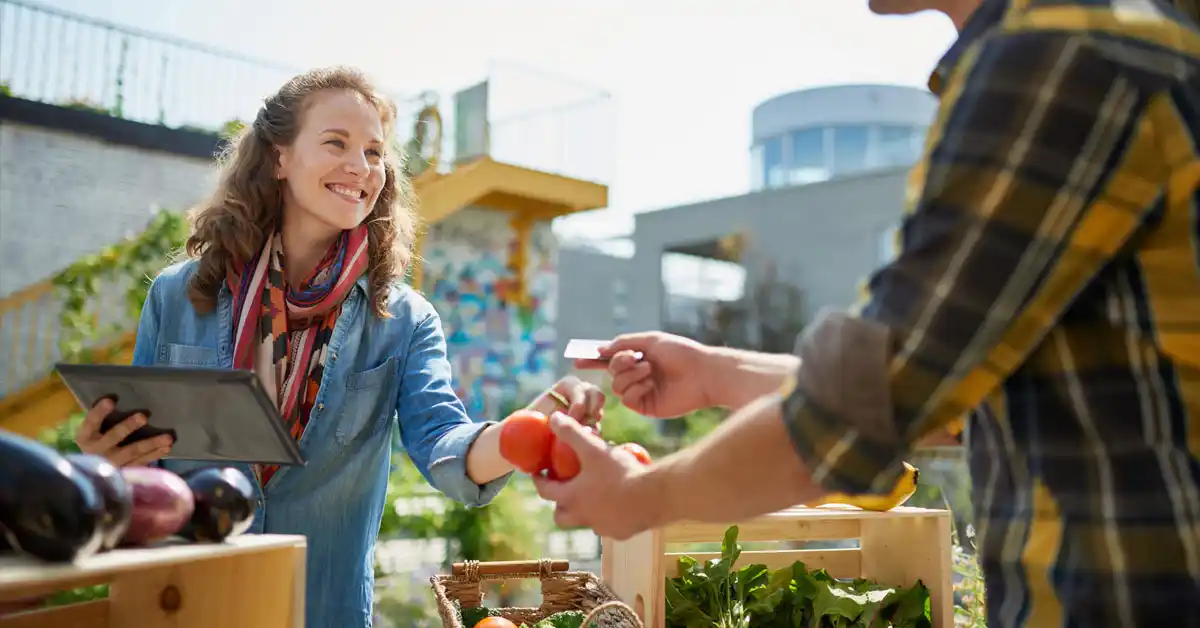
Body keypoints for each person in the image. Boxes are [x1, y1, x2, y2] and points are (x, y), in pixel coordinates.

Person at [533, 0, 1200, 625]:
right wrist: (714, 375)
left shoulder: (1056, 54)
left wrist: (641, 497)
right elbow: (949, 390)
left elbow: (866, 401)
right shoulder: (1093, 35)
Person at [70, 66, 605, 628]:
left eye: (374, 152)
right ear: (279, 158)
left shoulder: (403, 320)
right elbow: (140, 468)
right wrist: (104, 461)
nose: (361, 167)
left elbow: (444, 444)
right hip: (186, 604)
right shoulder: (179, 296)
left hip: (324, 610)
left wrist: (528, 429)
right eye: (336, 143)